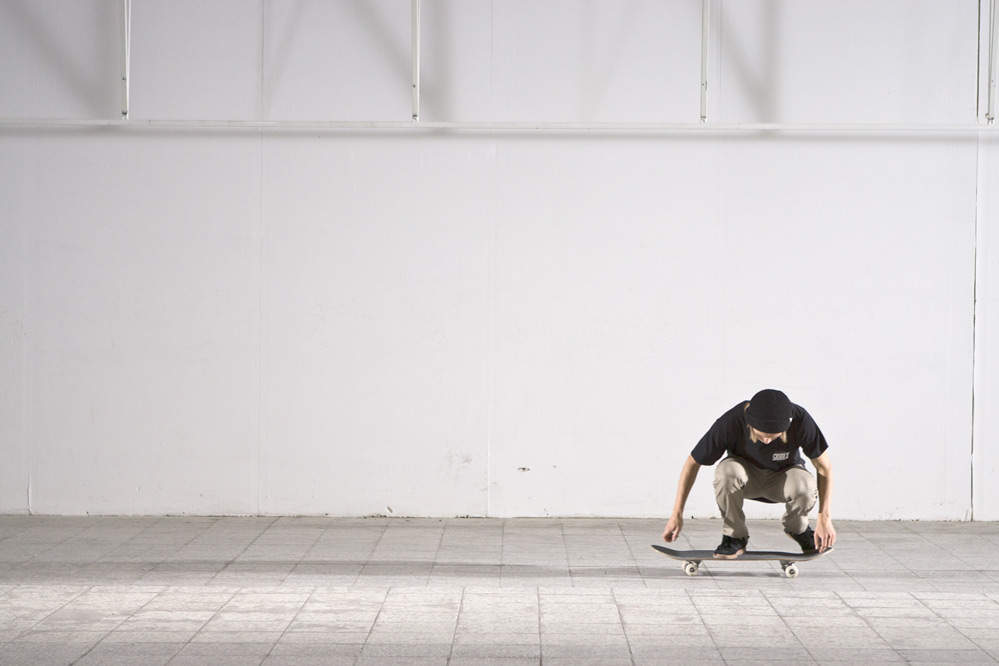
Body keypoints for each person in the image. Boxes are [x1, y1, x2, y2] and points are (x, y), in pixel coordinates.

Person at [661, 389, 836, 558]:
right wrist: (677, 514)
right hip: (746, 479)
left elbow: (824, 467)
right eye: (760, 436)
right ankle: (735, 536)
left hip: (783, 479)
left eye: (774, 437)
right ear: (749, 423)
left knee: (805, 484)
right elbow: (692, 463)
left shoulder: (800, 419)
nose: (767, 441)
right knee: (727, 471)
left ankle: (797, 528)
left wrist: (824, 518)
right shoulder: (732, 420)